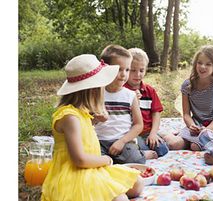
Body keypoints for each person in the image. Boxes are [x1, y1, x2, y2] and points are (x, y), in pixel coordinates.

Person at [41, 54, 144, 201]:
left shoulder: (81, 112)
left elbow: (83, 134)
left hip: (92, 169)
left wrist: (94, 121)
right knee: (120, 198)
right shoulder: (70, 117)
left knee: (137, 183)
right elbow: (80, 160)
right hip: (76, 174)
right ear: (93, 90)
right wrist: (106, 160)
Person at [94, 45, 157, 164]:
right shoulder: (96, 94)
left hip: (123, 140)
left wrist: (122, 141)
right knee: (93, 162)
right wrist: (95, 119)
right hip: (99, 141)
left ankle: (139, 154)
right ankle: (112, 159)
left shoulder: (130, 95)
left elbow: (138, 125)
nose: (124, 74)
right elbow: (86, 121)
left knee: (135, 161)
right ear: (105, 69)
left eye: (127, 70)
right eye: (119, 69)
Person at [163, 45, 213, 151]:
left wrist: (206, 131)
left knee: (195, 147)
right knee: (173, 145)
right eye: (200, 63)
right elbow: (186, 114)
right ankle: (168, 135)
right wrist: (191, 126)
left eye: (208, 64)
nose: (202, 67)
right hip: (195, 124)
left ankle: (190, 141)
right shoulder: (187, 85)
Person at [124, 48, 169, 157]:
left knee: (163, 149)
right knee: (142, 147)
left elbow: (156, 113)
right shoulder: (122, 91)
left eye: (141, 70)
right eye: (133, 70)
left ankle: (142, 149)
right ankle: (139, 152)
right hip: (130, 132)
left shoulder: (149, 90)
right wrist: (133, 101)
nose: (138, 74)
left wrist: (153, 133)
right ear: (126, 69)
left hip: (147, 131)